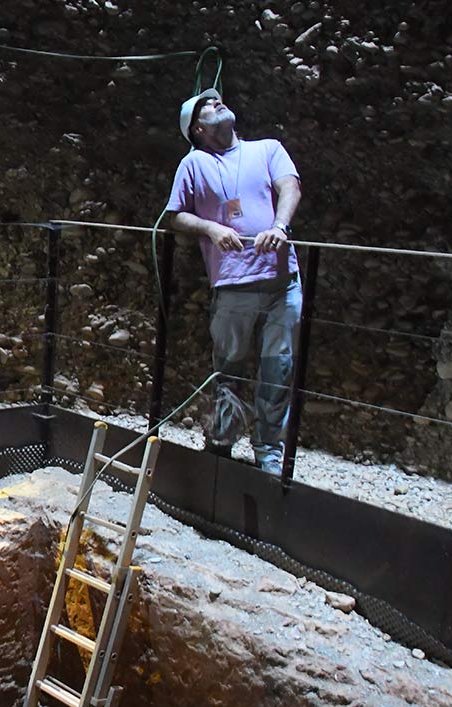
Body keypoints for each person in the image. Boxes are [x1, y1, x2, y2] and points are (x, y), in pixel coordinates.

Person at [165, 88, 303, 476]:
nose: (217, 102)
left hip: (281, 281)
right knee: (228, 371)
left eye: (217, 99)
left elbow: (289, 185)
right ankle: (221, 446)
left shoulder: (268, 149)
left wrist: (280, 225)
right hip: (233, 284)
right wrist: (211, 227)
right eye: (207, 105)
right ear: (197, 129)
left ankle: (269, 456)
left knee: (278, 369)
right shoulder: (194, 163)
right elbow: (175, 215)